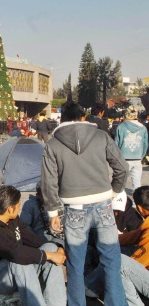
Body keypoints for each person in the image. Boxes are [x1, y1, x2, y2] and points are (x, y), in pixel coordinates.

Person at [41, 100, 129, 306]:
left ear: (62, 119)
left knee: (75, 264)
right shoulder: (101, 136)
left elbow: (49, 181)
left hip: (74, 208)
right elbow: (122, 169)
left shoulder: (53, 144)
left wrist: (53, 213)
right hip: (103, 203)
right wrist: (114, 191)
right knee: (111, 260)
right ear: (82, 117)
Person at [0, 185, 67, 306]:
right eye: (19, 205)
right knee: (20, 261)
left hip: (16, 268)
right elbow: (15, 253)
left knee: (51, 248)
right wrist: (49, 255)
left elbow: (31, 238)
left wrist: (56, 249)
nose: (19, 208)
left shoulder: (12, 218)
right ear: (10, 209)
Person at [115, 106, 148, 192]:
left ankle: (121, 202)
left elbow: (116, 144)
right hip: (137, 158)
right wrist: (141, 155)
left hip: (123, 158)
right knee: (136, 183)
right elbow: (145, 144)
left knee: (121, 183)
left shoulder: (121, 127)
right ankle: (136, 202)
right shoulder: (143, 128)